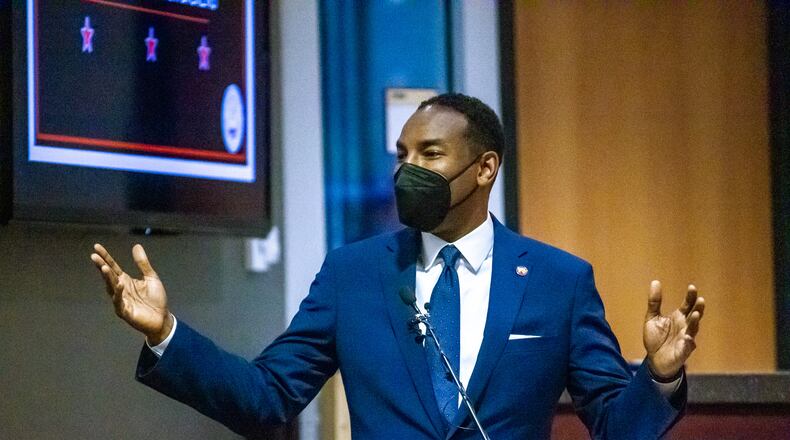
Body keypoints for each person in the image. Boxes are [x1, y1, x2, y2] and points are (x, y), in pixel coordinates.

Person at [91, 94, 705, 439]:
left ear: (485, 168)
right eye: (401, 154)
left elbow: (616, 428)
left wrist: (656, 376)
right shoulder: (352, 275)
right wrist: (166, 333)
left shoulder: (558, 281)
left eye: (429, 154)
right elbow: (268, 397)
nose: (406, 170)